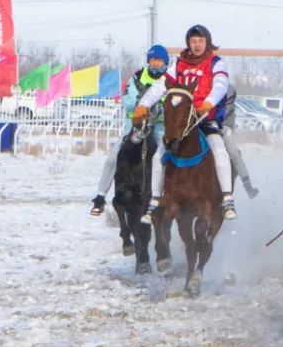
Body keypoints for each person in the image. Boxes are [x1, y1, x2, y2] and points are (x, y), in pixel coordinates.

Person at [137, 24, 236, 222]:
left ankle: (227, 199)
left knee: (219, 149)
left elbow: (221, 85)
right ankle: (154, 201)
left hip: (205, 119)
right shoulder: (179, 64)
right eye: (193, 41)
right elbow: (160, 86)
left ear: (207, 42)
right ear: (188, 43)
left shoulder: (216, 63)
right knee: (159, 155)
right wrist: (143, 105)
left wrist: (208, 103)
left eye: (201, 41)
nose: (197, 45)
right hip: (181, 122)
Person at [90, 45, 170, 215]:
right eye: (152, 60)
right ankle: (100, 196)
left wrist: (161, 109)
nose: (155, 63)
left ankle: (168, 195)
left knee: (166, 157)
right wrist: (144, 105)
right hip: (134, 127)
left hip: (160, 128)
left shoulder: (170, 79)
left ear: (165, 62)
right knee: (113, 157)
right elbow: (127, 100)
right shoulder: (137, 77)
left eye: (159, 60)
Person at [220, 85, 259, 199]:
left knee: (234, 154)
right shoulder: (201, 82)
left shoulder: (228, 88)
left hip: (223, 127)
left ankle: (248, 186)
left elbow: (226, 110)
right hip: (202, 125)